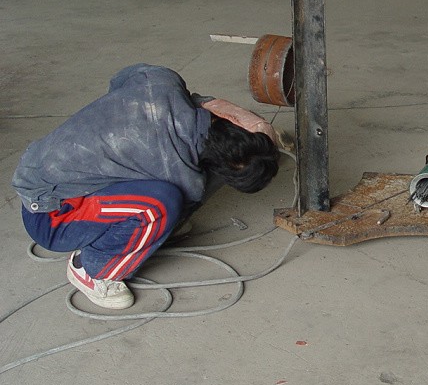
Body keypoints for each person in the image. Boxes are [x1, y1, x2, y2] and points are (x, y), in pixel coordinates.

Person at [12, 64, 280, 310]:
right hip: (50, 215)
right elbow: (190, 195)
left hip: (37, 170)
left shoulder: (162, 81)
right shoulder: (175, 168)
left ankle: (122, 230)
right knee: (160, 206)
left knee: (158, 191)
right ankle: (92, 269)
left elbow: (123, 78)